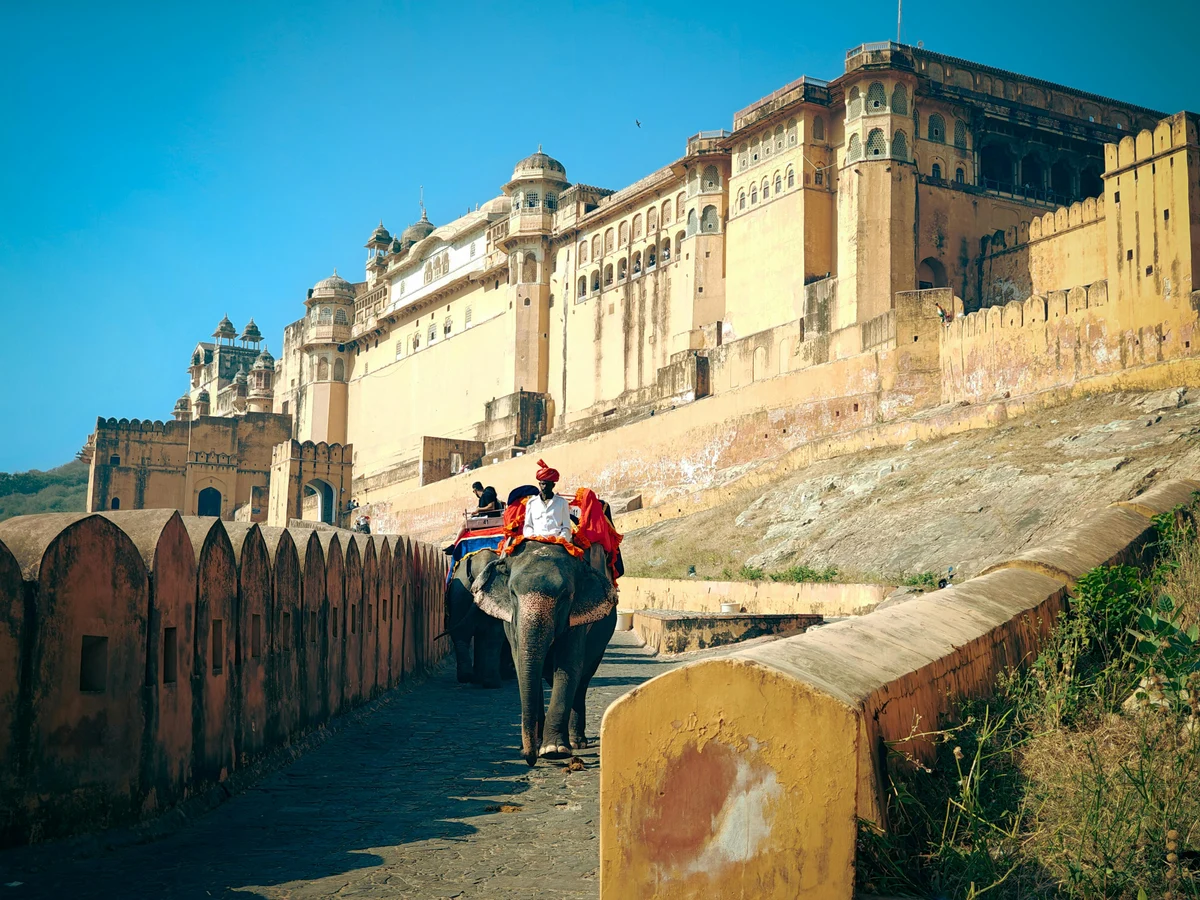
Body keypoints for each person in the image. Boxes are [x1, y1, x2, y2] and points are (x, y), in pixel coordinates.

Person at [523, 459, 571, 541]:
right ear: (539, 484)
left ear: (553, 485)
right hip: (536, 540)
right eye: (542, 484)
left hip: (557, 541)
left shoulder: (562, 502)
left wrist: (561, 539)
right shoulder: (531, 503)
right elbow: (528, 526)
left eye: (547, 484)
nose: (544, 487)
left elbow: (566, 527)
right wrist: (533, 537)